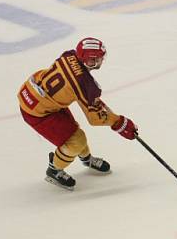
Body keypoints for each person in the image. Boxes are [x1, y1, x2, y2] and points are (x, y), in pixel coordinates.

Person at [17, 37, 138, 190]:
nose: (102, 61)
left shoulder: (69, 55)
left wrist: (94, 101)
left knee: (76, 132)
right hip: (38, 112)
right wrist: (119, 123)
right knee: (76, 141)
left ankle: (86, 159)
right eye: (99, 58)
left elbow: (78, 90)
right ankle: (54, 169)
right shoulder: (85, 84)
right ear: (89, 61)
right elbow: (95, 118)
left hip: (34, 93)